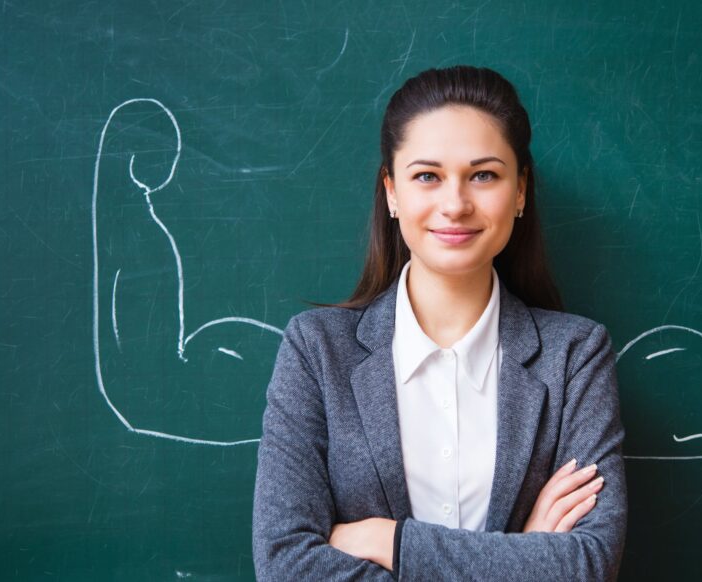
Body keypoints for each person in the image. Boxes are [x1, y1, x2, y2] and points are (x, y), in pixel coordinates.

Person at [253, 65, 627, 580]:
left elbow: (588, 563)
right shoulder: (316, 351)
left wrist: (390, 541)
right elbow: (285, 564)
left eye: (484, 175)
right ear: (391, 191)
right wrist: (522, 553)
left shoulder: (576, 355)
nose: (455, 204)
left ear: (520, 191)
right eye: (427, 176)